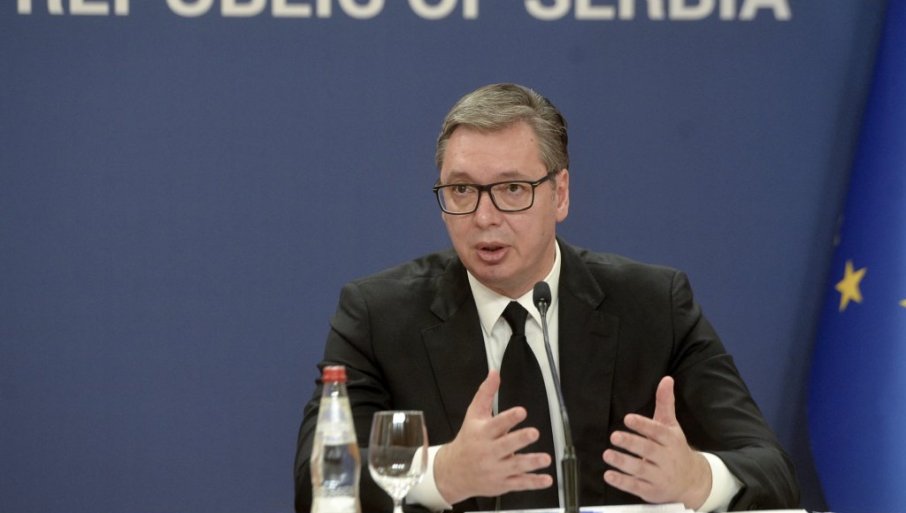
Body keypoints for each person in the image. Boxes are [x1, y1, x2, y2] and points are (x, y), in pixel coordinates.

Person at [293, 83, 799, 512]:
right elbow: (315, 481)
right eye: (462, 190)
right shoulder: (379, 315)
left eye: (512, 189)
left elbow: (771, 469)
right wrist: (439, 474)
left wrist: (697, 480)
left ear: (560, 194)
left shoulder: (653, 306)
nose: (484, 217)